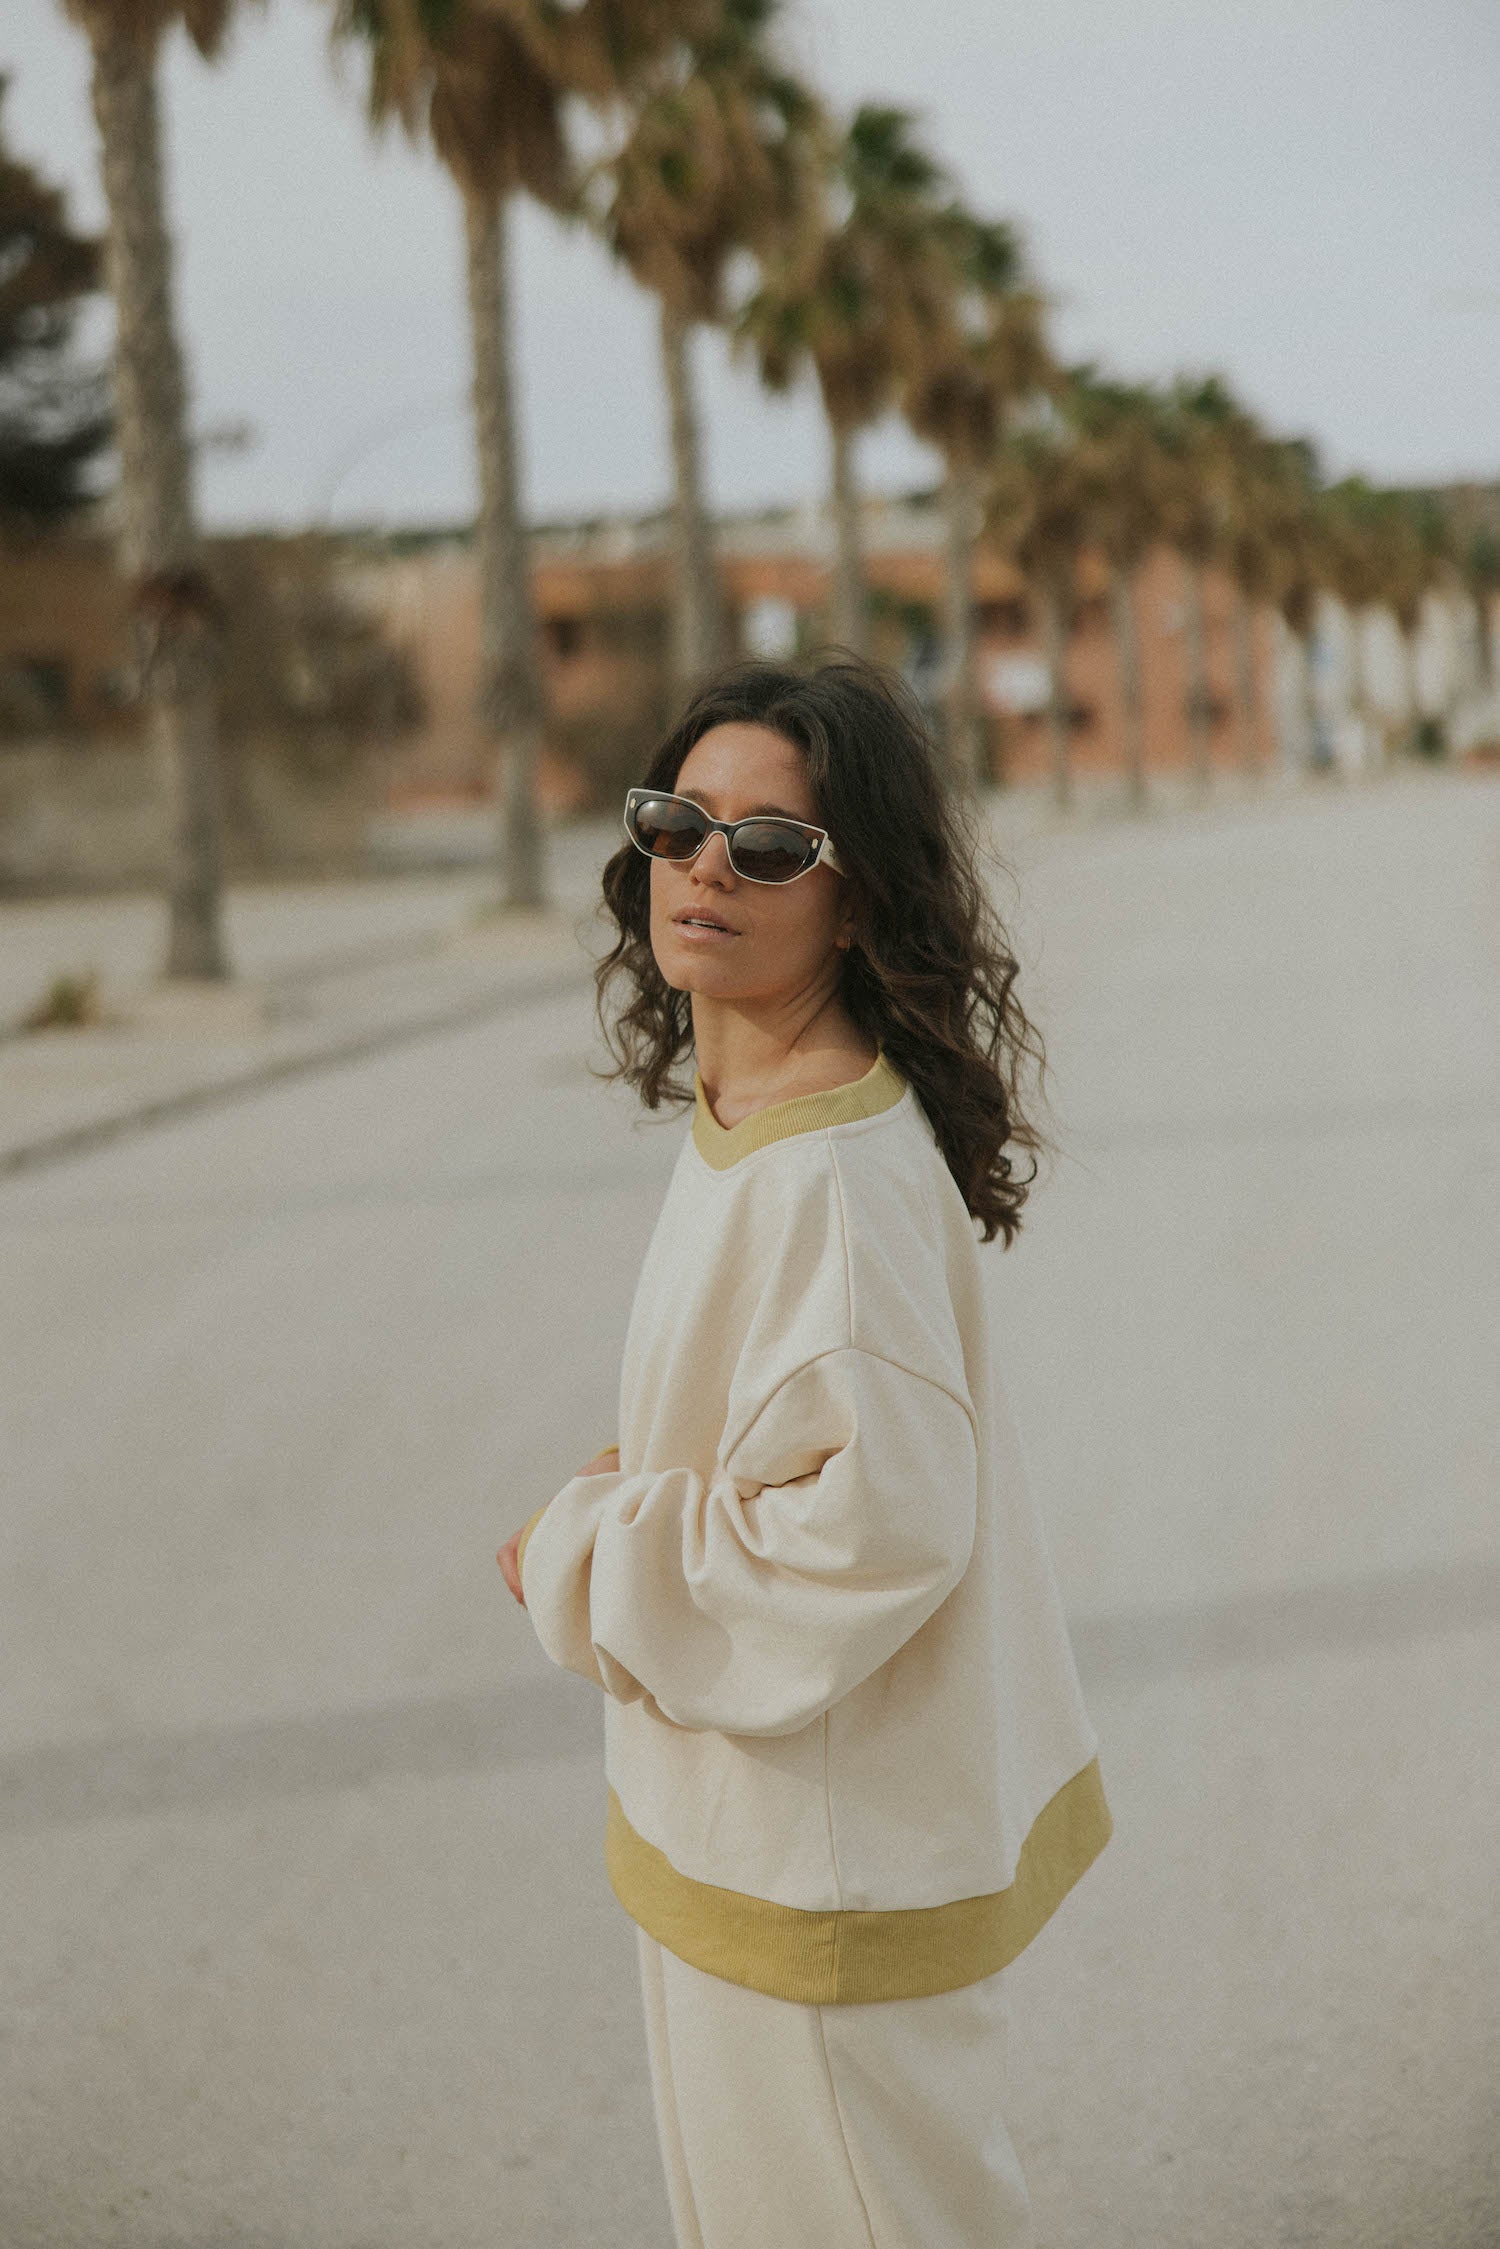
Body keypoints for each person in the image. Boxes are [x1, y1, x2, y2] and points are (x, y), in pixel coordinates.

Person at [496, 653, 1112, 2249]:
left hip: (819, 1885)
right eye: (679, 821)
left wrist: (581, 1553)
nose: (707, 863)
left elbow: (878, 1525)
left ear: (854, 903)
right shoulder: (758, 1103)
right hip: (756, 1845)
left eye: (770, 844)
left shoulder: (825, 1180)